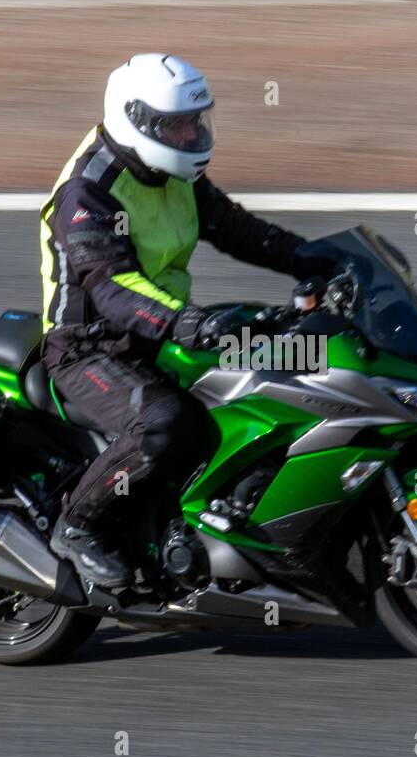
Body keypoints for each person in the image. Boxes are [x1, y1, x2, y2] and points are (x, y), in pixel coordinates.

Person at [39, 53, 320, 590]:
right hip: (92, 347)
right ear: (135, 119)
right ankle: (77, 524)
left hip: (164, 330)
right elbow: (110, 285)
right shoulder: (89, 193)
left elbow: (235, 228)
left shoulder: (170, 170)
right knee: (167, 423)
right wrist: (185, 323)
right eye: (176, 125)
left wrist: (315, 258)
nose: (190, 135)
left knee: (287, 366)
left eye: (196, 122)